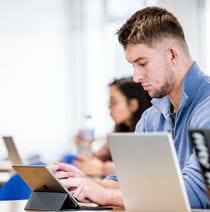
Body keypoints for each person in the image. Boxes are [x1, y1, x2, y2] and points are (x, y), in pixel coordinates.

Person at [50, 6, 210, 208]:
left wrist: (104, 195)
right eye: (133, 66)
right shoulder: (151, 117)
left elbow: (197, 192)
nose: (136, 77)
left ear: (172, 55)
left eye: (142, 64)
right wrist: (90, 185)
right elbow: (132, 179)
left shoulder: (206, 109)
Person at [74, 77, 152, 177]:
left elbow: (143, 171)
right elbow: (95, 161)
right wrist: (85, 147)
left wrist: (103, 169)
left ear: (133, 104)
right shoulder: (118, 132)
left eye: (113, 101)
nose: (109, 107)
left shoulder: (148, 130)